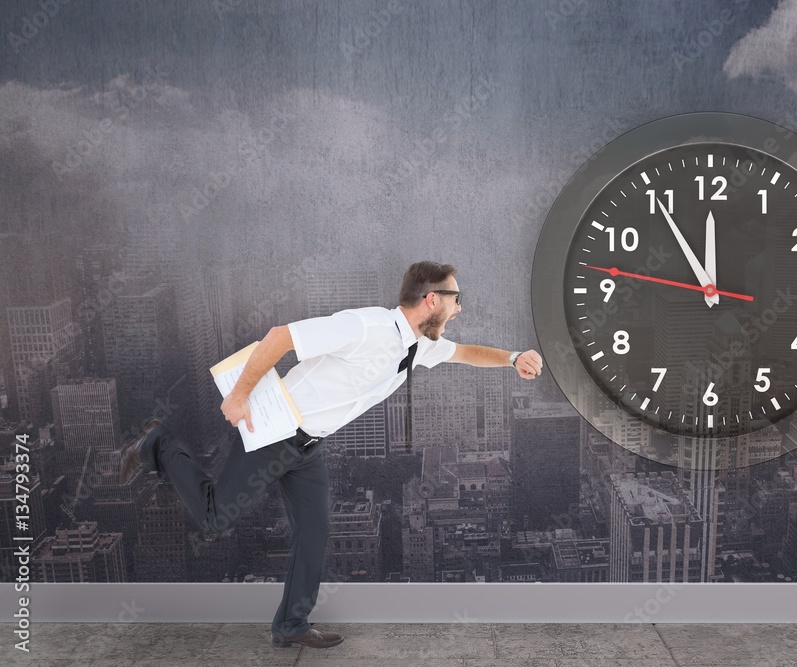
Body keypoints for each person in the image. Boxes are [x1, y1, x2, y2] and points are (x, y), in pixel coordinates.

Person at [118, 261, 543, 649]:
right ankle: (158, 443)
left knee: (314, 534)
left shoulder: (418, 345)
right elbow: (280, 337)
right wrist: (241, 394)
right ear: (431, 300)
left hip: (308, 449)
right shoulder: (366, 327)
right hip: (275, 435)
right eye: (456, 301)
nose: (459, 310)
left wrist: (512, 358)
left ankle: (291, 625)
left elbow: (466, 353)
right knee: (215, 519)